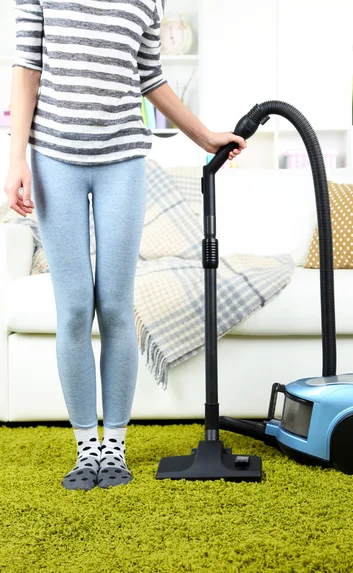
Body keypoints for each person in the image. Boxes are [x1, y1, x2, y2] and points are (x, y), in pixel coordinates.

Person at [4, 0, 247, 492]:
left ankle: (114, 446)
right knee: (74, 310)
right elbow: (27, 65)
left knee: (115, 306)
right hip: (54, 159)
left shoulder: (146, 1)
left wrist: (204, 137)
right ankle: (85, 448)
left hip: (123, 162)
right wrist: (15, 161)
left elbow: (150, 77)